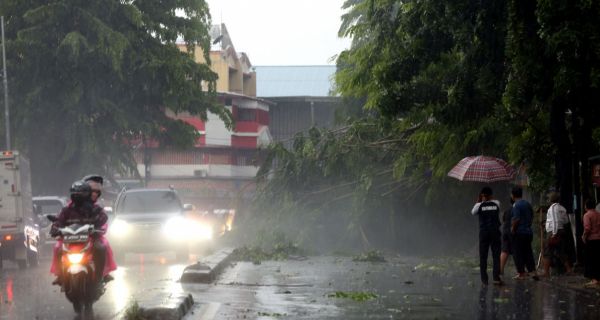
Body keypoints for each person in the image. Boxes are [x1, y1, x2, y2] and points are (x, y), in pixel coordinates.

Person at [50, 181, 108, 286]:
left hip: (89, 239)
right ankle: (61, 276)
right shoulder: (66, 210)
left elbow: (103, 217)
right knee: (58, 249)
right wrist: (55, 228)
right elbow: (59, 221)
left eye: (80, 193)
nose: (77, 196)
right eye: (75, 193)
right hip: (69, 241)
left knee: (101, 248)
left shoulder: (95, 209)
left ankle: (99, 278)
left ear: (87, 194)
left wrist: (97, 227)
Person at [471, 186, 503, 285]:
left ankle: (484, 279)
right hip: (494, 232)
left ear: (482, 196)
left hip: (484, 233)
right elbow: (497, 207)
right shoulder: (497, 203)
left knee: (483, 256)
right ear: (491, 195)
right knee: (496, 256)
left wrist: (478, 201)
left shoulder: (478, 205)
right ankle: (496, 277)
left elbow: (473, 213)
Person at [510, 186, 539, 280]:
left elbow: (516, 219)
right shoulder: (527, 204)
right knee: (528, 252)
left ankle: (521, 273)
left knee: (518, 253)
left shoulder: (516, 205)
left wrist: (513, 229)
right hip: (528, 232)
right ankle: (533, 271)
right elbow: (531, 216)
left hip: (519, 232)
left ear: (513, 195)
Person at [541, 192, 572, 276]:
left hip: (553, 231)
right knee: (561, 251)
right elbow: (566, 221)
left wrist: (554, 233)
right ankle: (569, 269)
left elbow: (555, 220)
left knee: (547, 251)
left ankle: (546, 272)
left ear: (551, 199)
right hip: (561, 230)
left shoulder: (552, 208)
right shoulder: (562, 208)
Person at [582, 199, 600, 287]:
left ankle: (594, 280)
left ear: (586, 206)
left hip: (591, 240)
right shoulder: (598, 214)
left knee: (591, 259)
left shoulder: (587, 215)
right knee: (598, 259)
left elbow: (587, 228)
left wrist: (584, 236)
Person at [500, 198, 514, 275]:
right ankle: (521, 271)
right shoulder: (516, 210)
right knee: (517, 250)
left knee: (504, 250)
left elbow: (503, 220)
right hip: (513, 232)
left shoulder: (507, 210)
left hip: (505, 231)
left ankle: (501, 269)